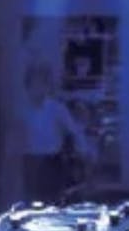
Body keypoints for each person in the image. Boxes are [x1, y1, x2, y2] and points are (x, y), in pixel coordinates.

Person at [20, 61, 92, 204]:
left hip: (52, 162)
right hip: (30, 162)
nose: (38, 88)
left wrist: (84, 154)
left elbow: (74, 131)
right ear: (27, 86)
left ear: (47, 86)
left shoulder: (57, 109)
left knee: (53, 201)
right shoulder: (22, 111)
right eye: (34, 84)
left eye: (42, 84)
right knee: (31, 202)